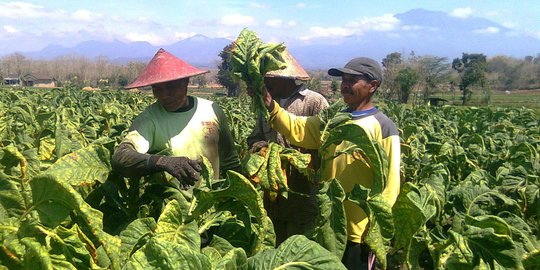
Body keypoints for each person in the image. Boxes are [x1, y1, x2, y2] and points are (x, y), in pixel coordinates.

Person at [256, 57, 401, 269]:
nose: (345, 85)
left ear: (372, 86)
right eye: (344, 79)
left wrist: (376, 230)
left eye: (353, 80)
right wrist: (271, 105)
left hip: (359, 230)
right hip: (327, 223)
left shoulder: (383, 127)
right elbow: (300, 128)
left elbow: (391, 184)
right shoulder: (332, 120)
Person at [112, 48, 241, 191]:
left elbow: (230, 161)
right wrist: (162, 161)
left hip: (210, 207)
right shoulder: (149, 119)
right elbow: (121, 156)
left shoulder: (212, 110)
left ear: (185, 82)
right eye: (157, 89)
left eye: (171, 87)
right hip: (172, 209)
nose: (164, 95)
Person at [247, 49, 329, 245]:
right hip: (273, 191)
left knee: (299, 242)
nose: (264, 84)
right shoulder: (265, 103)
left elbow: (326, 144)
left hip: (303, 191)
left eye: (269, 79)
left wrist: (299, 158)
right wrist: (262, 149)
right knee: (274, 241)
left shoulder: (314, 102)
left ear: (287, 78)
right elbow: (254, 137)